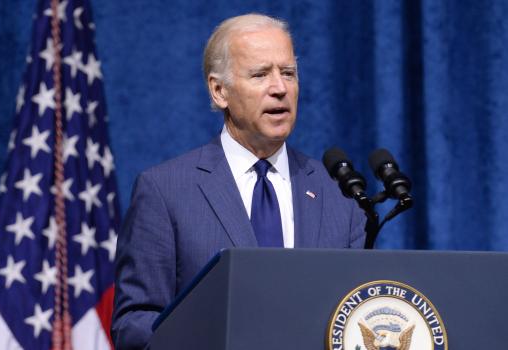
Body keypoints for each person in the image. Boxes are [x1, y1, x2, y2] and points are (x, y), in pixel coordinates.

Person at [111, 13, 366, 349]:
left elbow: (359, 313)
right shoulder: (165, 191)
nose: (280, 88)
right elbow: (134, 324)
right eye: (260, 75)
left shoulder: (339, 194)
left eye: (288, 73)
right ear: (219, 91)